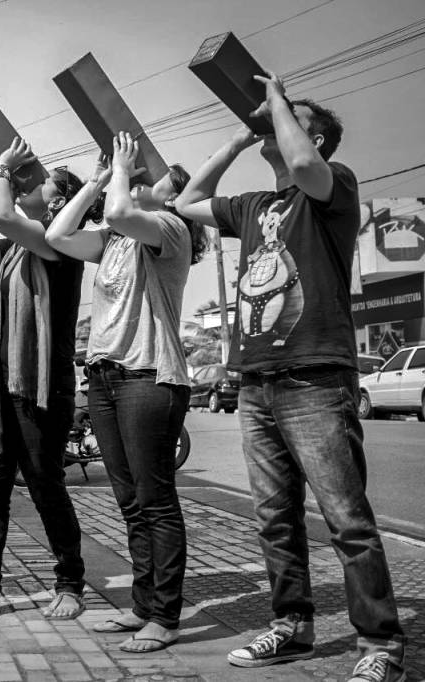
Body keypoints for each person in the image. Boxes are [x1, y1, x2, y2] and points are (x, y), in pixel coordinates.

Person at [175, 73, 406, 681]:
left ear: (317, 135)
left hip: (315, 380)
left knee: (346, 520)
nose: (272, 127)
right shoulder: (254, 205)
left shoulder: (334, 185)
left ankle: (380, 644)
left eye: (285, 120)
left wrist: (280, 98)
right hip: (257, 381)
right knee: (274, 517)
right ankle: (292, 627)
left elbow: (302, 160)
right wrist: (235, 141)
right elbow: (185, 201)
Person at [46, 137, 205, 652]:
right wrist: (95, 177)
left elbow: (118, 207)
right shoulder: (115, 239)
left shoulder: (170, 229)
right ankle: (141, 607)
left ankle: (165, 616)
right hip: (104, 376)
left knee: (155, 501)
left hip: (148, 377)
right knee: (131, 503)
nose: (145, 178)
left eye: (161, 177)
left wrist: (117, 171)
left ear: (175, 197)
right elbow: (57, 232)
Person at [0, 137, 87, 625]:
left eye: (43, 178)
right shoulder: (13, 251)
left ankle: (70, 583)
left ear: (58, 201)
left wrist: (3, 174)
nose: (32, 179)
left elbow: (6, 216)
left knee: (46, 485)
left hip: (38, 389)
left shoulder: (59, 247)